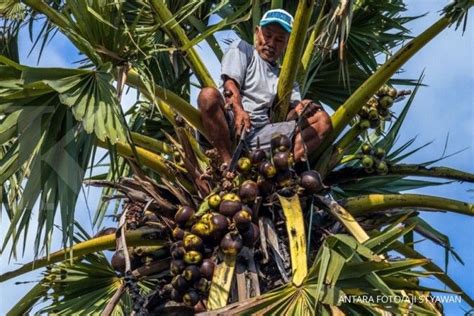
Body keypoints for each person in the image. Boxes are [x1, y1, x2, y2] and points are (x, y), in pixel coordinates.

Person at [198, 9, 333, 165]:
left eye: (279, 40)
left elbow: (290, 114)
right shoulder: (243, 49)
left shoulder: (286, 80)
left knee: (322, 121)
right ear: (257, 33)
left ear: (287, 44)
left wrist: (301, 108)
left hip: (261, 135)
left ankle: (282, 167)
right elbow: (230, 83)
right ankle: (226, 163)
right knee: (207, 95)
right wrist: (238, 110)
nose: (271, 43)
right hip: (228, 126)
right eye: (267, 35)